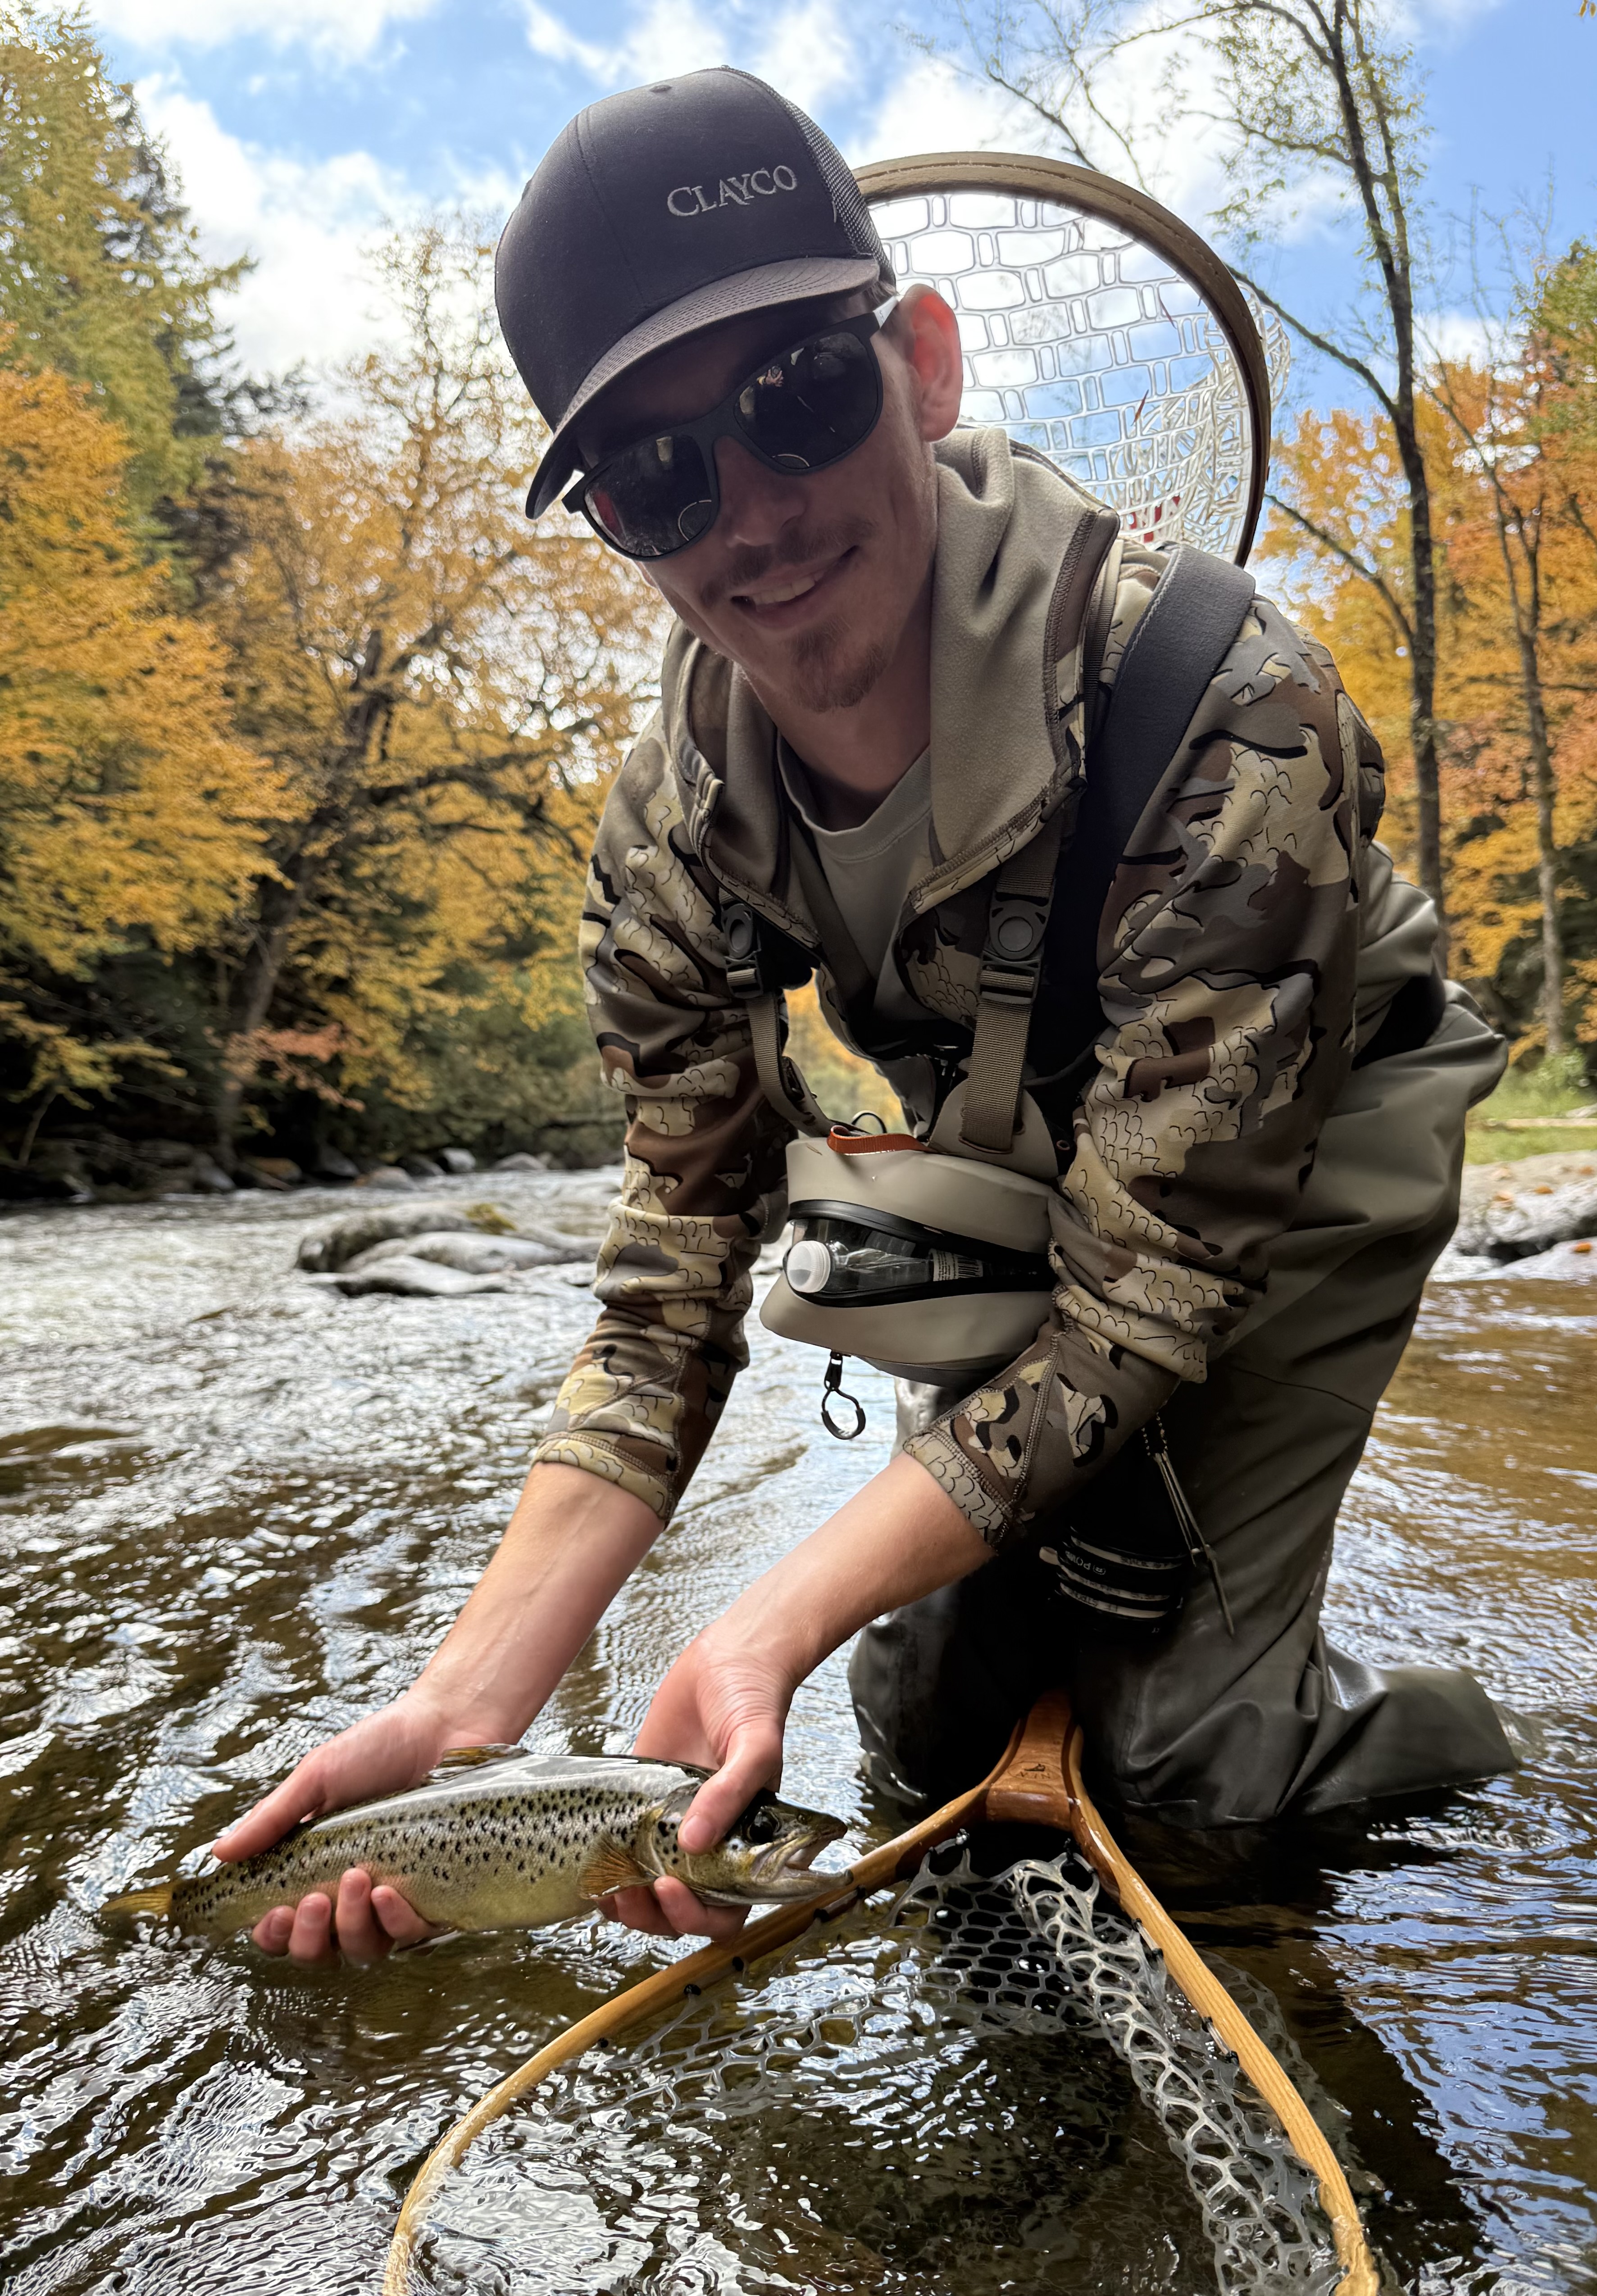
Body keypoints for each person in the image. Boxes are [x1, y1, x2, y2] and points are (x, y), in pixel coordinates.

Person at [214, 67, 1515, 1964]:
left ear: (917, 363)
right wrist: (464, 1705)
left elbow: (1154, 1293)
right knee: (918, 1733)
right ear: (611, 523)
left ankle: (1491, 1771)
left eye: (794, 403)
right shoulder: (667, 838)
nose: (749, 514)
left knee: (1192, 1776)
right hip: (1006, 1150)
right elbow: (669, 1280)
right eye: (658, 478)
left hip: (1297, 1149)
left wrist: (767, 1612)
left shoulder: (1227, 702)